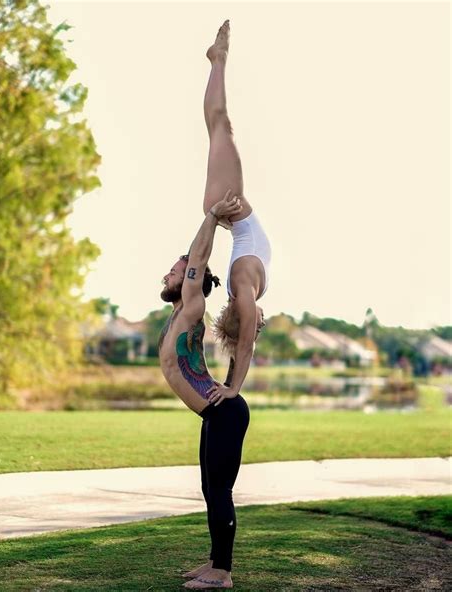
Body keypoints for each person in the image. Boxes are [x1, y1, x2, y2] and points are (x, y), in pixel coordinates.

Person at [159, 189, 249, 590]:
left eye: (174, 272)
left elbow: (198, 258)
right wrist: (228, 383)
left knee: (219, 488)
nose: (168, 275)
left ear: (190, 281)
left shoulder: (192, 305)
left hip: (224, 412)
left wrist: (212, 216)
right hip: (214, 412)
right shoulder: (180, 312)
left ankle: (223, 573)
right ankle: (213, 561)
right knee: (208, 488)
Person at [202, 20, 271, 410]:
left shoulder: (244, 290)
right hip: (227, 212)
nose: (261, 322)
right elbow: (243, 340)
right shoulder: (248, 290)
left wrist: (234, 388)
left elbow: (245, 345)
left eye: (256, 323)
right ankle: (218, 61)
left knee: (221, 125)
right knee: (217, 127)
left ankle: (218, 60)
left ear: (242, 316)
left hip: (229, 205)